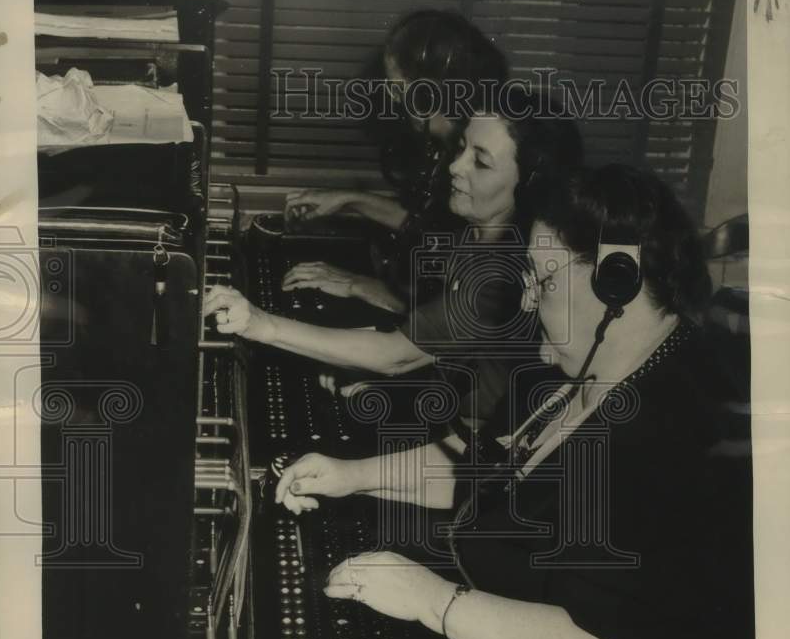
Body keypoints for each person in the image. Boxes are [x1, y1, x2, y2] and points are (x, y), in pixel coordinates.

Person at [269, 164, 756, 639]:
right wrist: (351, 476)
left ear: (615, 281)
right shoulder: (575, 374)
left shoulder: (666, 431)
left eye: (544, 278)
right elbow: (483, 472)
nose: (527, 298)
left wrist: (429, 600)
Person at [205, 87, 583, 427]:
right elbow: (434, 343)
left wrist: (260, 323)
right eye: (462, 148)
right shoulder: (477, 231)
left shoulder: (504, 270)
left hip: (476, 436)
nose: (455, 166)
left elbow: (397, 356)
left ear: (531, 184)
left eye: (480, 162)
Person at [281, 9, 509, 315]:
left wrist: (361, 286)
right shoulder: (452, 146)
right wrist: (352, 200)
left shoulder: (486, 161)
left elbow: (469, 302)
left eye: (396, 86)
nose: (390, 96)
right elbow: (434, 233)